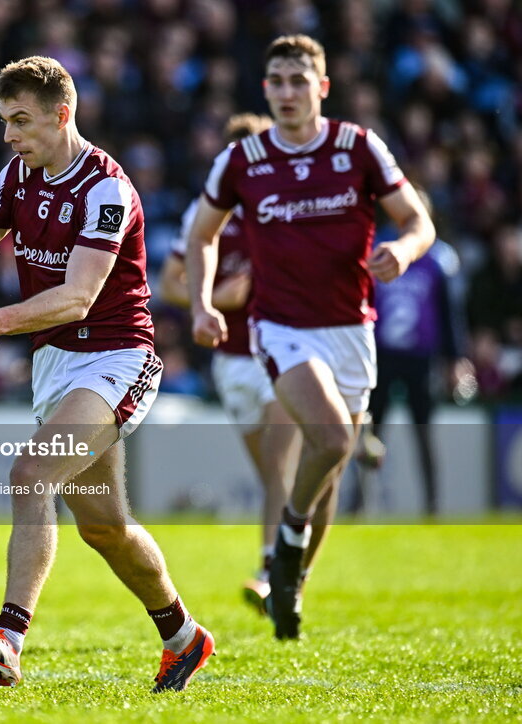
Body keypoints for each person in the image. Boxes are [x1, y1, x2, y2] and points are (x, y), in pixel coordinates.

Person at [0, 57, 214, 692]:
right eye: (4, 121)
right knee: (104, 526)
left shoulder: (107, 189)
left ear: (63, 113)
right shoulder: (17, 176)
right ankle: (184, 637)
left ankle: (8, 637)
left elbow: (78, 298)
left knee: (29, 472)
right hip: (57, 365)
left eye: (20, 120)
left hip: (117, 357)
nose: (9, 135)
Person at [186, 35, 435, 640]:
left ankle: (291, 582)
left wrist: (402, 251)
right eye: (277, 81)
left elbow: (419, 221)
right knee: (325, 438)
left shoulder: (358, 148)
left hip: (352, 326)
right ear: (265, 89)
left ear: (322, 88)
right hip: (282, 328)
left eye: (300, 81)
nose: (288, 92)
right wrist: (200, 303)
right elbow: (201, 237)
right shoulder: (242, 159)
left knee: (333, 462)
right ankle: (283, 551)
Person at [158, 112, 301, 616]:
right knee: (274, 477)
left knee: (282, 464)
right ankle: (287, 561)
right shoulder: (207, 211)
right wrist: (216, 296)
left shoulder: (289, 205)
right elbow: (169, 283)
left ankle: (271, 573)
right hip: (230, 362)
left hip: (282, 351)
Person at [358, 188, 474, 515]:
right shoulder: (377, 248)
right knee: (370, 431)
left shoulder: (439, 259)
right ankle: (360, 501)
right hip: (380, 355)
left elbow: (449, 313)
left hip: (421, 359)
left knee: (423, 432)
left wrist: (455, 359)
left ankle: (431, 505)